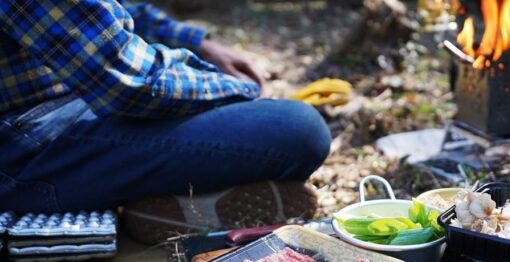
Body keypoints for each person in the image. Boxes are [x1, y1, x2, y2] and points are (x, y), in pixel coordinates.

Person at [0, 0, 331, 243]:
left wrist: (198, 43)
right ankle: (176, 200)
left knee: (274, 124)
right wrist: (243, 91)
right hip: (22, 152)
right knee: (296, 128)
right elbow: (131, 82)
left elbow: (109, 13)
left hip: (60, 109)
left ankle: (168, 202)